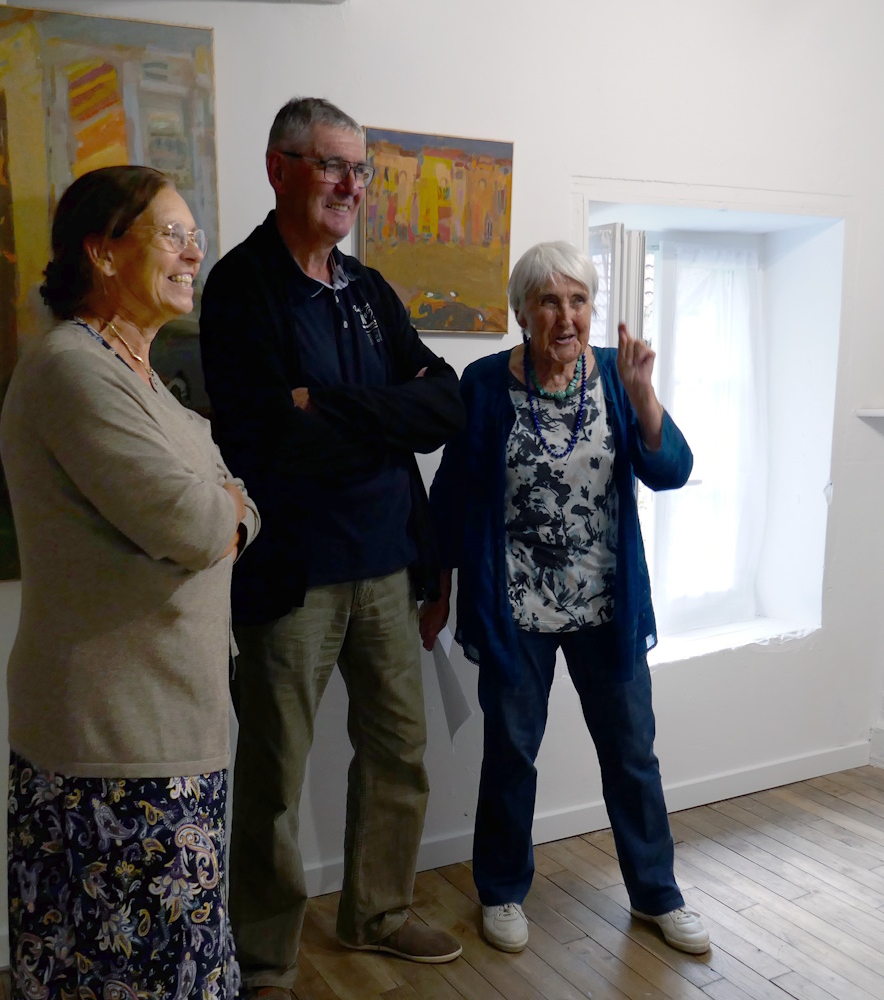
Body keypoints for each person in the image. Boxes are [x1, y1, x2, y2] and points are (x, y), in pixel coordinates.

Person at [199, 97, 465, 996]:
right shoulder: (240, 289)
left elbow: (445, 402)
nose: (350, 185)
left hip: (387, 564)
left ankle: (377, 914)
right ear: (279, 169)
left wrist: (334, 407)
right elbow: (272, 437)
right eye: (331, 165)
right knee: (274, 773)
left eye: (361, 170)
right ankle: (265, 957)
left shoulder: (368, 291)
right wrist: (384, 421)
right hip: (294, 574)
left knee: (399, 750)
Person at [0, 165, 259, 1000]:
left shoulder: (148, 385)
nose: (195, 252)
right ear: (104, 252)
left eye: (194, 235)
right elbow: (195, 522)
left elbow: (235, 500)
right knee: (125, 975)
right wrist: (223, 511)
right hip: (113, 743)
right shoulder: (71, 370)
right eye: (172, 234)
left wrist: (226, 509)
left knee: (178, 966)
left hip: (170, 726)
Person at [420, 241, 710, 956]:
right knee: (511, 753)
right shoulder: (486, 384)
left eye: (579, 300)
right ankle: (502, 890)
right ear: (523, 312)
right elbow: (453, 494)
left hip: (606, 606)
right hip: (514, 606)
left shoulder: (615, 376)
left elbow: (672, 469)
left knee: (632, 755)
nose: (566, 316)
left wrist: (645, 397)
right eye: (549, 301)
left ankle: (658, 895)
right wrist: (439, 587)